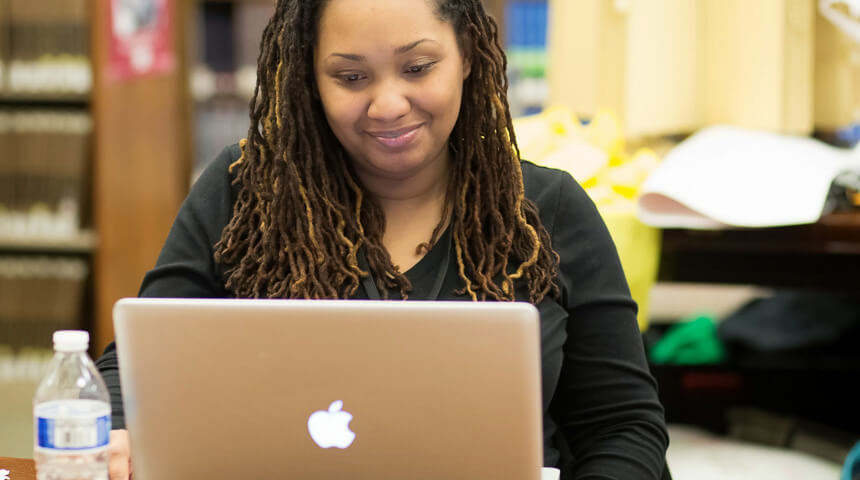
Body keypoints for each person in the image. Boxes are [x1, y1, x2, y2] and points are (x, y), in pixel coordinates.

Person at [96, 0, 670, 478]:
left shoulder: (548, 210)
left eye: (418, 68)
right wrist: (114, 430)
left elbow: (624, 429)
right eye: (350, 77)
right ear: (309, 78)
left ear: (467, 54)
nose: (388, 105)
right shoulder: (244, 192)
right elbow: (137, 364)